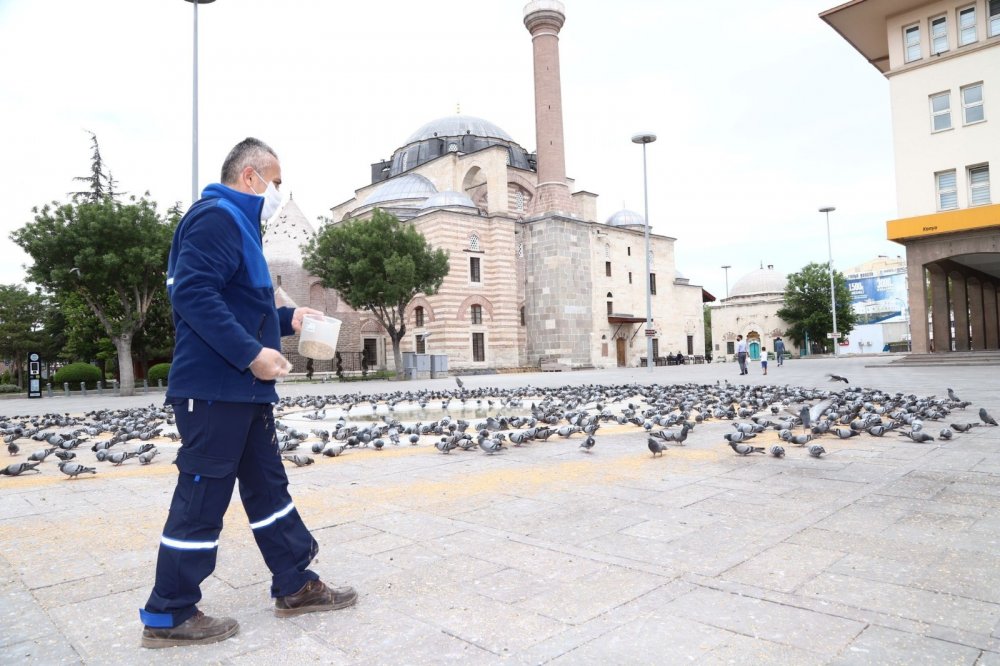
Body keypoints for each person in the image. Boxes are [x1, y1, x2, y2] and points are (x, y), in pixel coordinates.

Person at [140, 138, 357, 649]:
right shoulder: (215, 218)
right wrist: (250, 354)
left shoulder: (240, 226)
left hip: (244, 391)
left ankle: (295, 583)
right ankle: (169, 612)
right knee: (201, 498)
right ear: (250, 177)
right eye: (275, 181)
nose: (278, 191)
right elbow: (193, 294)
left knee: (268, 489)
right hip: (215, 389)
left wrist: (289, 318)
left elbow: (238, 307)